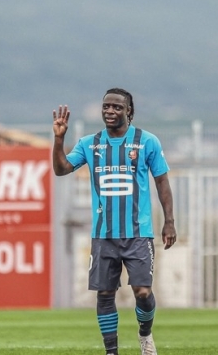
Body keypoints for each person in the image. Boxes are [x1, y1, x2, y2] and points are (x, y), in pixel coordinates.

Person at [52, 88, 176, 355]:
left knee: (142, 291)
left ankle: (145, 335)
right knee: (105, 295)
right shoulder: (90, 144)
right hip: (103, 235)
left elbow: (162, 182)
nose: (110, 111)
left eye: (117, 107)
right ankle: (111, 351)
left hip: (138, 233)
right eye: (106, 106)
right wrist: (59, 139)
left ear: (128, 111)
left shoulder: (147, 141)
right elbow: (61, 169)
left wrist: (169, 222)